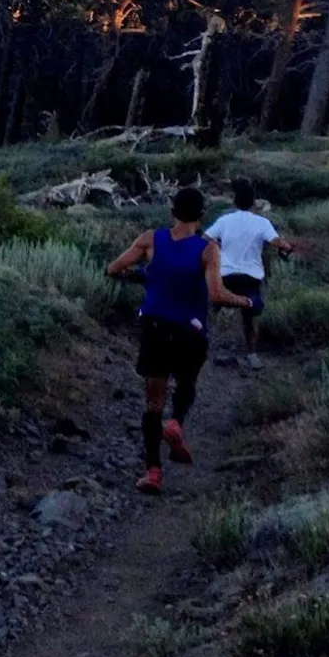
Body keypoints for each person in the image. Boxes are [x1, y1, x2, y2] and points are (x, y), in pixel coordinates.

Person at [105, 186, 258, 495]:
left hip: (154, 324)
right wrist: (247, 302)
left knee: (152, 400)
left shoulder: (151, 239)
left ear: (172, 211)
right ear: (202, 216)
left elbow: (114, 268)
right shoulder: (207, 248)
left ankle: (153, 472)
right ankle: (176, 423)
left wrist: (145, 276)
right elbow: (216, 293)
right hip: (190, 328)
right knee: (187, 381)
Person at [203, 177, 296, 371]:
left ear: (235, 201)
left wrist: (218, 248)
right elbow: (278, 242)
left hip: (225, 274)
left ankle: (203, 345)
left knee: (211, 308)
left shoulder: (224, 220)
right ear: (253, 203)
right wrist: (287, 247)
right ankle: (251, 354)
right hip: (250, 276)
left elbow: (205, 238)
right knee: (250, 316)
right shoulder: (262, 222)